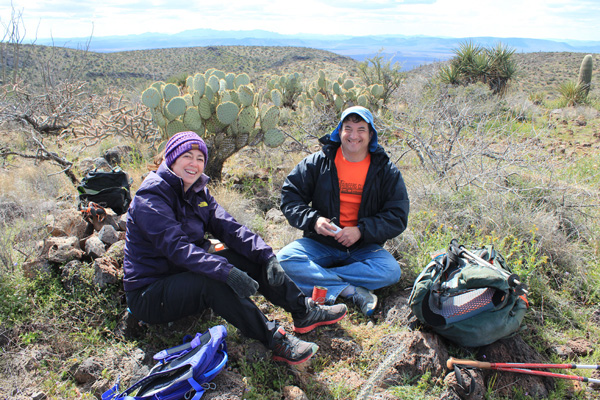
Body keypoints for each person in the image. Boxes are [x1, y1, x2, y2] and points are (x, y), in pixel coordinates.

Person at [123, 131, 347, 365]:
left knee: (250, 255)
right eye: (187, 156)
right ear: (172, 158)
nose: (194, 164)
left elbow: (229, 227)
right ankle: (273, 339)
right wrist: (226, 272)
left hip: (181, 272)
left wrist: (267, 256)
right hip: (150, 292)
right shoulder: (151, 196)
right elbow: (177, 249)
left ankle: (303, 311)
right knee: (214, 280)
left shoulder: (197, 191)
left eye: (200, 158)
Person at [276, 106, 410, 316]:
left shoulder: (385, 170)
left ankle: (317, 277)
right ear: (339, 131)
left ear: (371, 134)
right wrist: (314, 221)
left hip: (363, 246)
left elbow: (397, 215)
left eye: (361, 129)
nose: (354, 135)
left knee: (391, 271)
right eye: (348, 128)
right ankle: (351, 290)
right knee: (282, 260)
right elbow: (290, 197)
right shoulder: (317, 162)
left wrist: (361, 231)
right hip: (320, 243)